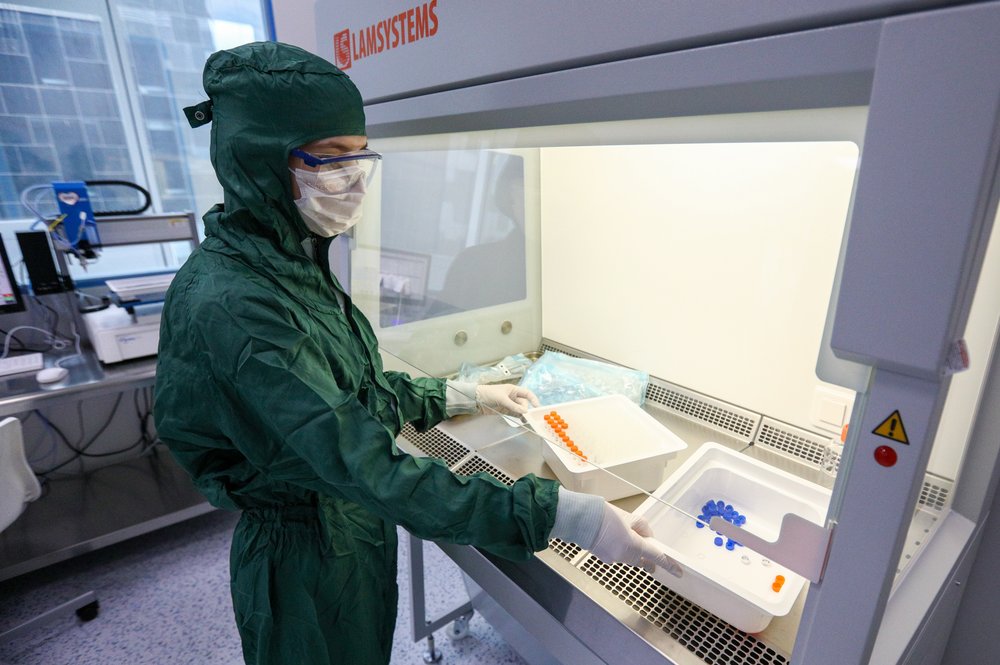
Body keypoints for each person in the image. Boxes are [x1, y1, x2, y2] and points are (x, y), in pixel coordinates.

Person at [154, 41, 676, 665]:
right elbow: (362, 463)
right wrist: (567, 517)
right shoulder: (235, 303)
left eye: (360, 158)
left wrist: (462, 394)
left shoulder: (289, 264)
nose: (352, 181)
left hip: (346, 529)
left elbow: (350, 392)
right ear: (260, 159)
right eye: (331, 159)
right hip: (303, 559)